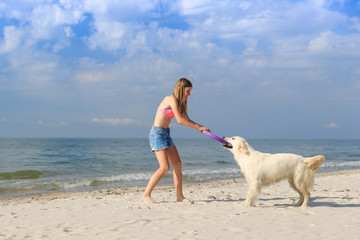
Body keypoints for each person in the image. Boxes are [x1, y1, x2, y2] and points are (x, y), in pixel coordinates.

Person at [141, 78, 210, 203]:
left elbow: (186, 119)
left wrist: (200, 127)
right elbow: (179, 120)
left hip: (166, 134)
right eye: (187, 91)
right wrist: (197, 127)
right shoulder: (170, 99)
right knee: (164, 167)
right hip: (157, 134)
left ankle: (180, 196)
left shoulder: (179, 104)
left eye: (190, 92)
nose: (189, 94)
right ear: (180, 89)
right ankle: (146, 195)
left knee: (177, 164)